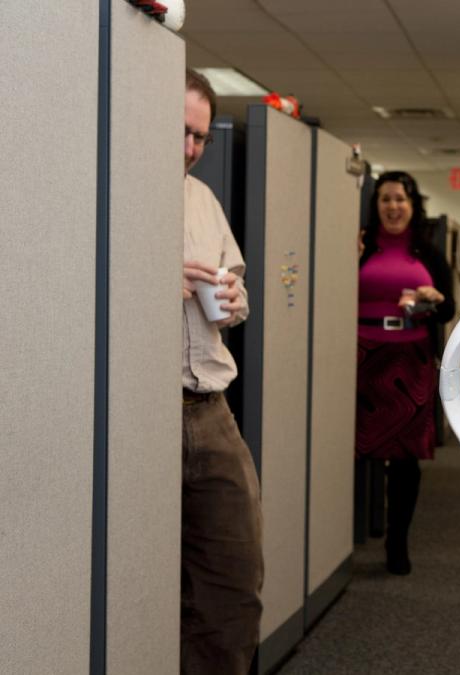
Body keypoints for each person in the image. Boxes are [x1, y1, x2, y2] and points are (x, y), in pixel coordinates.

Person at [180, 68, 263, 673]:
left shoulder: (203, 200)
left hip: (212, 416)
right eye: (180, 131)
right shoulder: (100, 192)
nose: (191, 149)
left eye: (200, 137)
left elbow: (235, 287)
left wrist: (237, 302)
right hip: (137, 417)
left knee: (234, 584)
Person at [357, 171, 455, 575]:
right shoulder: (360, 246)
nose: (393, 207)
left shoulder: (428, 252)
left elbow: (448, 310)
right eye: (385, 199)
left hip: (410, 358)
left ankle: (397, 542)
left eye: (400, 199)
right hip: (360, 357)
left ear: (413, 205)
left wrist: (434, 299)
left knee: (404, 461)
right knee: (356, 453)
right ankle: (342, 536)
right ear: (375, 204)